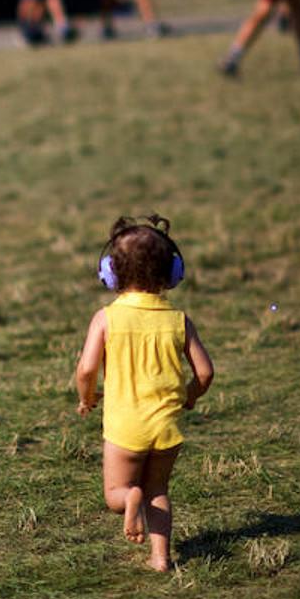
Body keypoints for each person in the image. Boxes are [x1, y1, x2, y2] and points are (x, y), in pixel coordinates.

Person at [74, 215, 214, 572]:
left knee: (116, 493)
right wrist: (190, 396)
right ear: (172, 272)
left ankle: (129, 499)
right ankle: (160, 558)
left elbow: (87, 369)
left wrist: (87, 398)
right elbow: (205, 372)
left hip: (125, 430)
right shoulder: (179, 320)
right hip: (166, 429)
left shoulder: (106, 318)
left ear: (111, 273)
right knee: (159, 491)